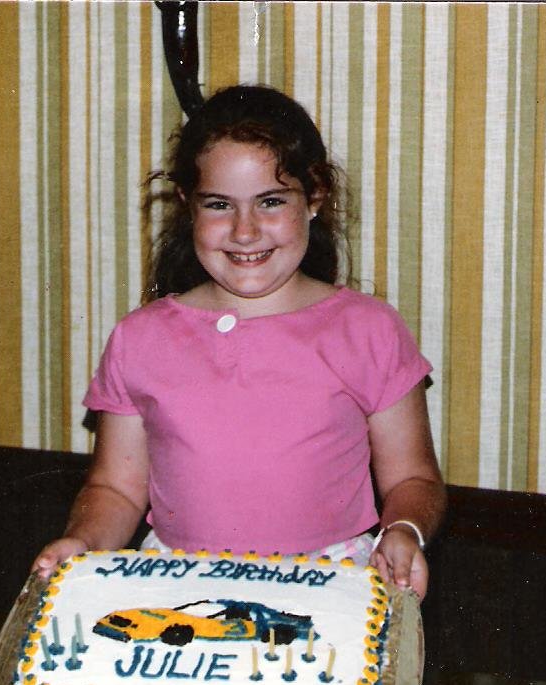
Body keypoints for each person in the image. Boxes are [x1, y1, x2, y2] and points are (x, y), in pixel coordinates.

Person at [32, 85, 445, 599]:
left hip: (333, 587)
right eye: (220, 204)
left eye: (270, 202)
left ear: (314, 197)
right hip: (175, 588)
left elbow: (414, 479)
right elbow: (114, 488)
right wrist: (83, 540)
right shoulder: (140, 339)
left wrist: (404, 530)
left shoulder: (369, 330)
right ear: (188, 205)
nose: (245, 231)